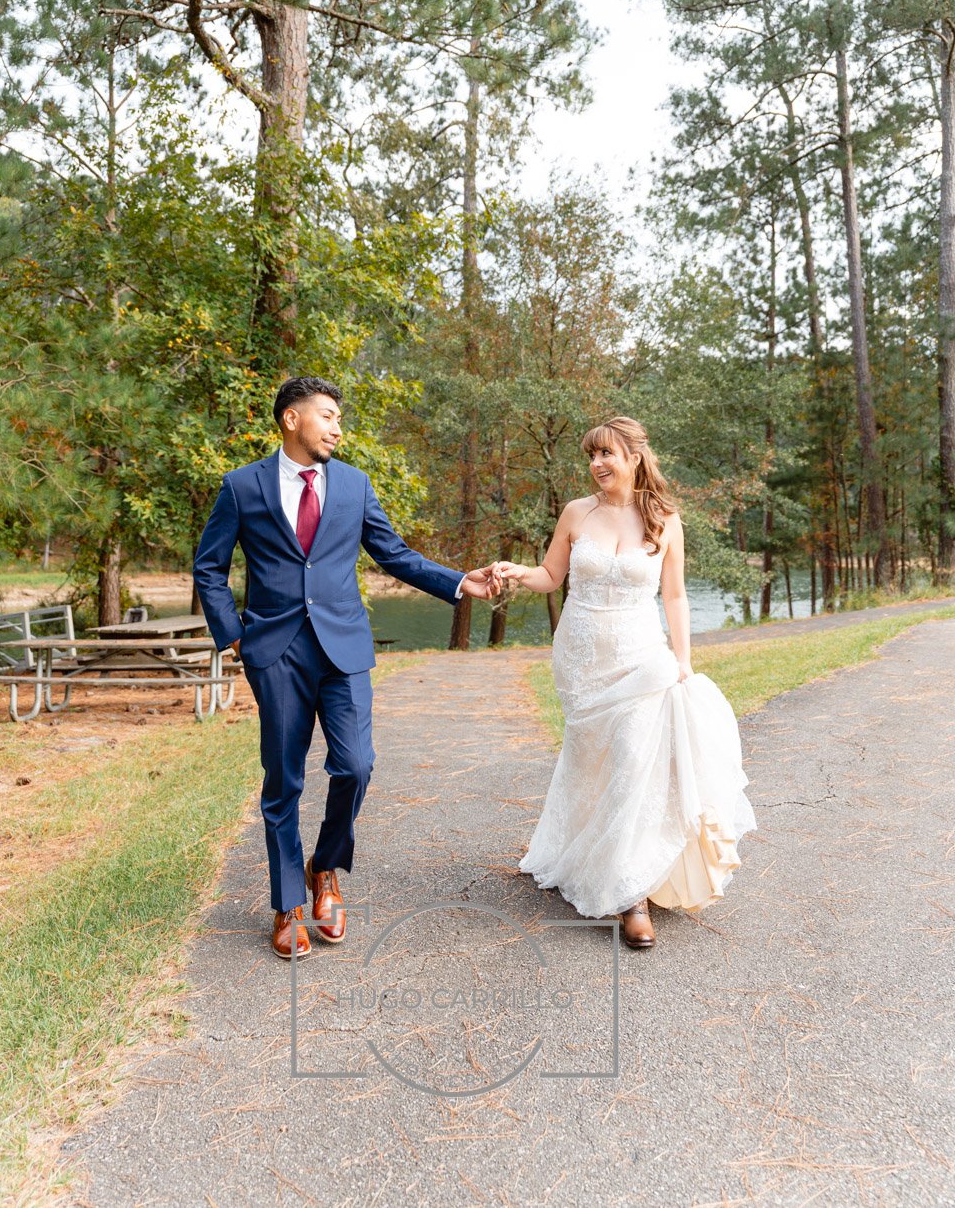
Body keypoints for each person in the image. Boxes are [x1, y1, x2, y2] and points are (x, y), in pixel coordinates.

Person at [193, 376, 499, 961]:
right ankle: (286, 905)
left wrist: (460, 581)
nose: (337, 428)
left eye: (339, 419)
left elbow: (395, 554)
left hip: (344, 651)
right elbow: (209, 567)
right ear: (291, 419)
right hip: (275, 652)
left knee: (356, 766)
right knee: (283, 781)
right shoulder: (241, 487)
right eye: (327, 416)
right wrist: (234, 638)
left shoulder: (356, 486)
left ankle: (325, 868)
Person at [493, 416, 755, 950]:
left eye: (607, 454)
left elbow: (675, 596)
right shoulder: (575, 513)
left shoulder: (665, 519)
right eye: (591, 456)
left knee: (635, 758)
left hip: (641, 655)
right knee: (594, 760)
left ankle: (630, 892)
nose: (597, 465)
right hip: (581, 657)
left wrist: (682, 659)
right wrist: (518, 572)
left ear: (635, 457)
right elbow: (551, 577)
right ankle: (582, 852)